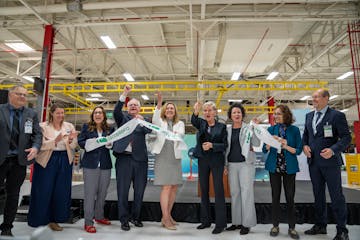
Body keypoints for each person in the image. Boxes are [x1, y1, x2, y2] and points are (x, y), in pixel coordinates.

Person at [303, 89, 351, 240]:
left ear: (326, 98)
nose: (314, 99)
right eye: (313, 97)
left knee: (337, 196)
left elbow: (346, 138)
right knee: (318, 195)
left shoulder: (337, 116)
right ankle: (320, 225)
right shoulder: (309, 116)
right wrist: (305, 146)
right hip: (314, 163)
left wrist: (333, 149)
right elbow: (306, 136)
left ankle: (342, 230)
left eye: (316, 97)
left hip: (330, 163)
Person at [28, 103, 78, 231]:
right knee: (43, 190)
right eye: (58, 113)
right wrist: (55, 140)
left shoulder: (69, 126)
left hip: (65, 160)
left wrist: (72, 141)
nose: (61, 115)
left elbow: (74, 146)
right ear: (52, 113)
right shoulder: (43, 127)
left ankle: (55, 220)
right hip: (46, 161)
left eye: (62, 113)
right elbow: (40, 145)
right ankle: (38, 219)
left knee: (60, 191)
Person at [0, 85, 42, 237]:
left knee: (13, 194)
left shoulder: (31, 114)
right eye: (19, 94)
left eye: (25, 95)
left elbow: (37, 134)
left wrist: (36, 147)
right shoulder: (1, 110)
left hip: (19, 161)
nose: (23, 97)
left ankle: (7, 227)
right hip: (1, 159)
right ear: (10, 95)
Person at [112, 85, 152, 231]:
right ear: (127, 108)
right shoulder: (122, 118)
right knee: (122, 190)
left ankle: (136, 217)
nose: (133, 107)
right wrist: (124, 94)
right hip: (124, 158)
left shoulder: (144, 120)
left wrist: (143, 121)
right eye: (131, 105)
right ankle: (124, 220)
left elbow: (149, 129)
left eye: (136, 105)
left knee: (139, 191)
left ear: (140, 109)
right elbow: (116, 110)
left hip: (141, 160)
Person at [262, 105, 302, 239]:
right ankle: (275, 225)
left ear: (286, 115)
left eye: (278, 114)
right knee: (275, 197)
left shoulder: (294, 130)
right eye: (275, 114)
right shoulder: (270, 129)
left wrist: (285, 145)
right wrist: (269, 143)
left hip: (289, 168)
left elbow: (298, 150)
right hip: (274, 167)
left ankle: (292, 227)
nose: (276, 116)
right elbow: (264, 149)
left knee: (290, 197)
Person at [191, 101, 227, 234]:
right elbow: (193, 120)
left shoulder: (222, 127)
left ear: (215, 112)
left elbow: (224, 145)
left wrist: (212, 145)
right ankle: (205, 221)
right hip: (203, 160)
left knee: (218, 191)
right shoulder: (201, 123)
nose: (207, 113)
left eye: (210, 110)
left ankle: (220, 223)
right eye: (205, 110)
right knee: (204, 190)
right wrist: (196, 110)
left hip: (217, 160)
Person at [224, 103, 260, 235]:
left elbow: (256, 143)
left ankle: (247, 223)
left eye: (239, 112)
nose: (237, 114)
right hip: (232, 165)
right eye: (234, 112)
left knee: (246, 193)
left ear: (242, 114)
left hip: (246, 164)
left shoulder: (248, 128)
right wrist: (225, 165)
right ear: (230, 115)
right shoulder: (227, 130)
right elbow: (225, 149)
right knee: (235, 193)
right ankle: (236, 222)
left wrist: (255, 128)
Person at [151, 92, 185, 230]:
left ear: (175, 111)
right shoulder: (160, 122)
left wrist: (177, 134)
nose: (170, 110)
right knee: (166, 186)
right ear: (165, 111)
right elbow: (154, 119)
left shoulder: (180, 123)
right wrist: (159, 102)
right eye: (168, 108)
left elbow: (181, 134)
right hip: (163, 155)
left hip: (175, 157)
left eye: (172, 108)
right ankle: (165, 218)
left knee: (174, 186)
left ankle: (168, 215)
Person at [77, 106, 113, 233]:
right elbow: (80, 142)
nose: (98, 114)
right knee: (90, 194)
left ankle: (99, 216)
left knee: (103, 192)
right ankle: (88, 222)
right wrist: (91, 142)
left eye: (100, 113)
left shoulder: (109, 129)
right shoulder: (86, 127)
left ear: (104, 115)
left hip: (105, 164)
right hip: (90, 164)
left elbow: (112, 143)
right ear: (93, 115)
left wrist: (110, 144)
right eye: (96, 112)